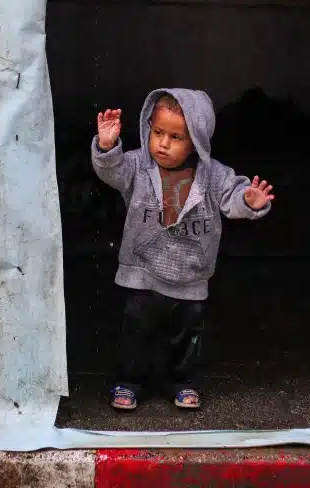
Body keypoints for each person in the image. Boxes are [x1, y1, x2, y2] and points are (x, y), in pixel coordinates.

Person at [92, 89, 274, 411]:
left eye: (176, 137)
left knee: (186, 334)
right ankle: (129, 381)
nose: (162, 143)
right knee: (137, 328)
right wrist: (107, 146)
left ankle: (183, 381)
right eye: (157, 132)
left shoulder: (213, 174)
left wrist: (248, 201)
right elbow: (112, 171)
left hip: (190, 273)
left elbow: (231, 198)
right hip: (142, 269)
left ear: (198, 141)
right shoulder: (137, 164)